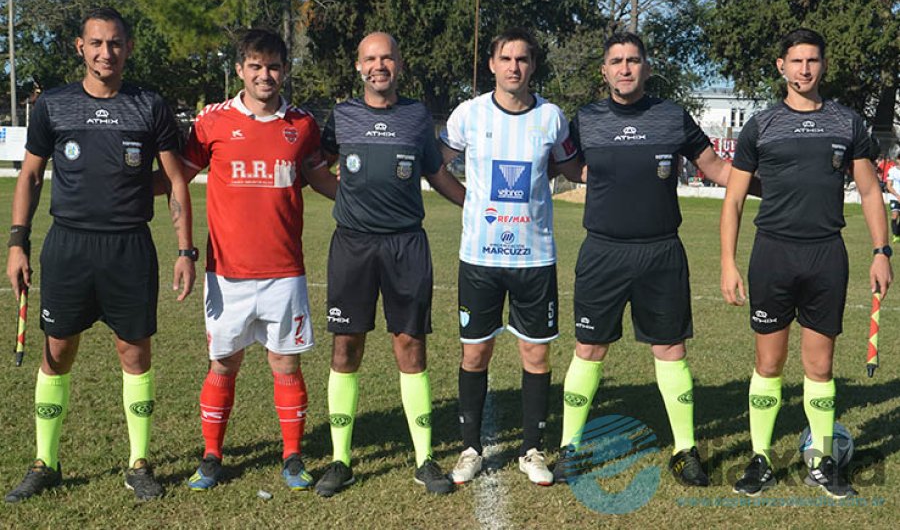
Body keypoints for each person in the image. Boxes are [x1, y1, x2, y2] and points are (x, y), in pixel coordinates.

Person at [4, 7, 196, 503]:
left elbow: (176, 180)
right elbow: (30, 175)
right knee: (57, 351)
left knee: (134, 353)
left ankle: (139, 463)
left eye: (114, 43)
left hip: (129, 247)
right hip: (68, 246)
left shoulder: (149, 105)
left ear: (128, 48)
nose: (105, 52)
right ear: (80, 48)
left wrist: (185, 250)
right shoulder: (53, 104)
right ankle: (45, 462)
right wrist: (17, 243)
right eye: (96, 43)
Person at [554, 31, 735, 487]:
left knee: (670, 349)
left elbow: (717, 169)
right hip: (602, 251)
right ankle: (569, 448)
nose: (625, 68)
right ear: (604, 71)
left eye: (633, 60)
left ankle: (685, 450)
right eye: (616, 61)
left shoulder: (672, 116)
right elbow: (569, 167)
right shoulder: (586, 119)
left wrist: (776, 187)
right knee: (589, 348)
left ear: (646, 68)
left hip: (661, 251)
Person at [721, 28, 892, 499]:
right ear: (781, 66)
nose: (804, 69)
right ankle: (760, 458)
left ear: (823, 65)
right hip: (772, 254)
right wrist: (728, 263)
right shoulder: (761, 125)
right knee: (768, 363)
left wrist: (882, 251)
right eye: (796, 61)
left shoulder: (846, 123)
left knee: (820, 366)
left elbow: (870, 191)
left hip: (825, 255)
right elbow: (734, 200)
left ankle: (821, 461)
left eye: (812, 60)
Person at [174, 29, 336, 491]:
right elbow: (178, 179)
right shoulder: (212, 122)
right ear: (240, 69)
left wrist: (368, 200)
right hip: (227, 273)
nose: (265, 75)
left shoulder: (302, 125)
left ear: (285, 70)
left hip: (285, 272)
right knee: (223, 363)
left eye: (274, 67)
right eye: (256, 66)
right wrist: (130, 193)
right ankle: (212, 456)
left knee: (286, 364)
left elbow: (320, 178)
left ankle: (292, 456)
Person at [313, 32, 465, 497]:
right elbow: (316, 167)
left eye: (387, 58)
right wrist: (347, 201)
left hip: (406, 246)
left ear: (399, 64)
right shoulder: (341, 116)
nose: (379, 65)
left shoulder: (417, 116)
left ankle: (424, 459)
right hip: (353, 246)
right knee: (346, 346)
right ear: (359, 66)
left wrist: (476, 204)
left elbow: (436, 172)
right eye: (371, 58)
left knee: (410, 344)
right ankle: (341, 460)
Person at [441, 28, 580, 487]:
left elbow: (570, 166)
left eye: (522, 59)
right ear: (492, 64)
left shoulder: (551, 117)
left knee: (535, 355)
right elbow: (436, 163)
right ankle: (470, 448)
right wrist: (467, 202)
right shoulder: (468, 114)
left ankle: (531, 450)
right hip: (479, 257)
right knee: (475, 352)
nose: (514, 67)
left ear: (532, 65)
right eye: (506, 58)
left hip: (534, 258)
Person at [884, 154, 900, 243]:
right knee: (895, 215)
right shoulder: (892, 171)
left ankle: (898, 233)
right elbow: (889, 186)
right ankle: (895, 235)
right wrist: (897, 195)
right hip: (894, 197)